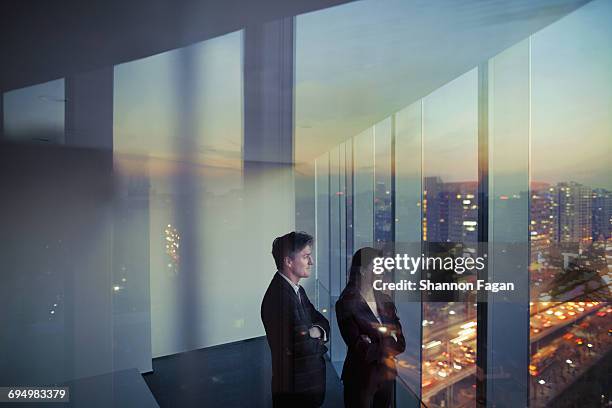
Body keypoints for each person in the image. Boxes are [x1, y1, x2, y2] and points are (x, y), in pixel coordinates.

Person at [261, 232, 330, 408]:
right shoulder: (280, 298)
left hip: (304, 388)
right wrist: (313, 335)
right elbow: (304, 348)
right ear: (288, 261)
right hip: (295, 393)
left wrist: (316, 332)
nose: (311, 262)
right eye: (306, 256)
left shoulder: (296, 290)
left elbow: (322, 321)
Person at [336, 247, 406, 408]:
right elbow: (362, 350)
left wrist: (375, 342)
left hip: (386, 376)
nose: (382, 271)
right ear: (362, 271)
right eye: (377, 266)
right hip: (360, 378)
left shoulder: (385, 299)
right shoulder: (345, 304)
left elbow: (401, 343)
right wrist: (389, 339)